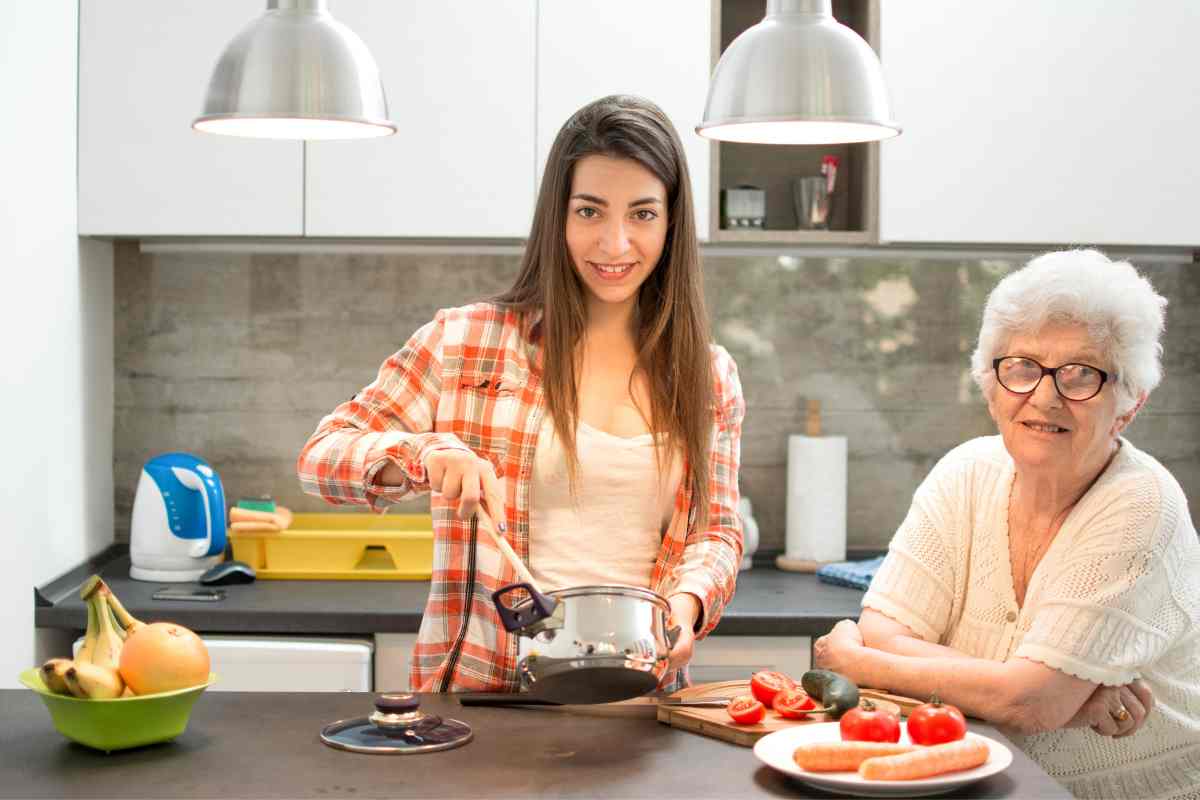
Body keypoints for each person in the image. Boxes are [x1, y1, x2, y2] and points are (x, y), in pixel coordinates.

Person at [297, 95, 744, 694]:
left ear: (671, 221)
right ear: (557, 217)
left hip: (643, 705)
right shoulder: (466, 341)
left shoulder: (708, 375)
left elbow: (715, 532)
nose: (614, 244)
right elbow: (321, 457)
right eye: (590, 212)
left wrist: (685, 608)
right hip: (486, 701)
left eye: (641, 214)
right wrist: (425, 456)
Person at [814, 249, 1199, 798]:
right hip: (984, 784)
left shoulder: (1141, 503)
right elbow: (885, 631)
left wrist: (859, 662)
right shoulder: (966, 471)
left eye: (1081, 374)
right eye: (1022, 367)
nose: (1045, 397)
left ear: (1129, 402)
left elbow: (1023, 699)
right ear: (991, 384)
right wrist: (1046, 696)